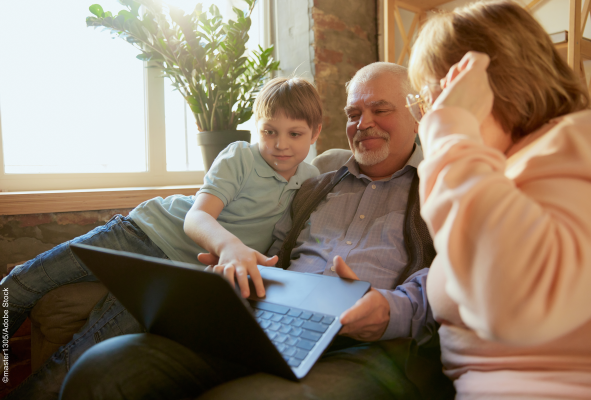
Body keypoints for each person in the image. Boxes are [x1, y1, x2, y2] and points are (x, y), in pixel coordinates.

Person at [58, 63, 454, 400]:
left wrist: (393, 311)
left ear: (418, 112)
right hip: (273, 325)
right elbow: (275, 253)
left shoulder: (444, 186)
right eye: (353, 113)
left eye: (380, 109)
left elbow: (457, 278)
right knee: (101, 369)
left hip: (368, 346)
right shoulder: (314, 186)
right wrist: (242, 270)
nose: (363, 123)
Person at [0, 76, 322, 397]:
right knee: (19, 285)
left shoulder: (312, 180)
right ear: (257, 128)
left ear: (315, 133)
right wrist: (231, 246)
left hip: (173, 276)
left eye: (295, 133)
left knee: (76, 359)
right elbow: (198, 216)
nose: (280, 144)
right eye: (269, 131)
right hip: (142, 232)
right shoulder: (240, 156)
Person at [406, 1, 591, 399]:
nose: (427, 118)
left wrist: (453, 132)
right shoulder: (497, 166)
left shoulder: (576, 139)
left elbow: (519, 299)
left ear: (491, 83)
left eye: (430, 98)